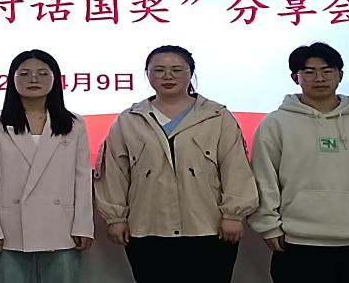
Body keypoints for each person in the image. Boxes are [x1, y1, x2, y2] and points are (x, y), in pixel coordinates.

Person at [94, 45, 258, 283]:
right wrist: (115, 218)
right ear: (148, 74)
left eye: (177, 70)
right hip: (148, 228)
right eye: (159, 70)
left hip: (209, 227)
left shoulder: (217, 116)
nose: (168, 76)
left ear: (191, 73)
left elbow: (236, 168)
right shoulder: (129, 120)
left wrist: (233, 214)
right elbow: (115, 173)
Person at [249, 42, 349, 283]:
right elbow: (263, 177)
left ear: (340, 75)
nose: (319, 78)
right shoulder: (275, 123)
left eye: (327, 71)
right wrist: (269, 226)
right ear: (295, 77)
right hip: (298, 241)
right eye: (309, 72)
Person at [0, 49, 94, 283]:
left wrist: (83, 226)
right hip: (8, 229)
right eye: (24, 74)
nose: (33, 79)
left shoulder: (74, 124)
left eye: (42, 73)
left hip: (61, 226)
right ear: (12, 79)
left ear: (55, 79)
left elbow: (82, 179)